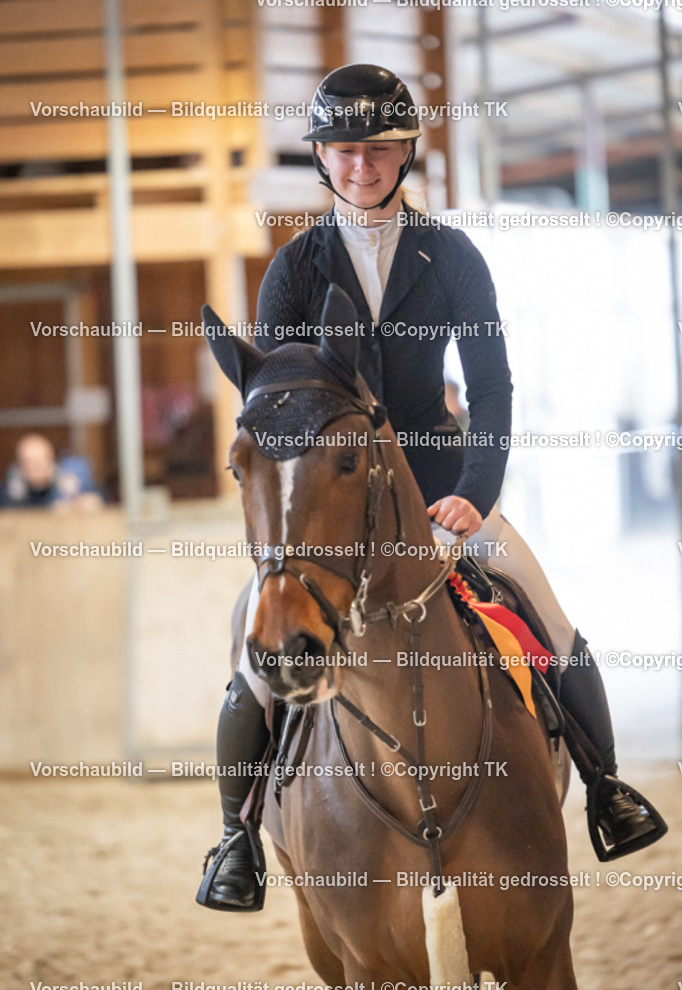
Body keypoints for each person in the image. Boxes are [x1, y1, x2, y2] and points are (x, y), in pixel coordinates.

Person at [197, 64, 666, 911]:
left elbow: (491, 386)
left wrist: (477, 494)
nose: (360, 165)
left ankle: (606, 789)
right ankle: (236, 838)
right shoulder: (293, 271)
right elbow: (279, 405)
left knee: (548, 618)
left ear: (407, 150)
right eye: (343, 149)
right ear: (322, 156)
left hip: (442, 485)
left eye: (377, 148)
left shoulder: (450, 256)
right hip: (331, 509)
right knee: (256, 661)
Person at [0, 433, 103, 511]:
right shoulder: (8, 493)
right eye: (29, 461)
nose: (36, 467)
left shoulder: (69, 485)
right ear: (20, 464)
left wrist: (80, 503)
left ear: (51, 460)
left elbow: (100, 499)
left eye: (41, 460)